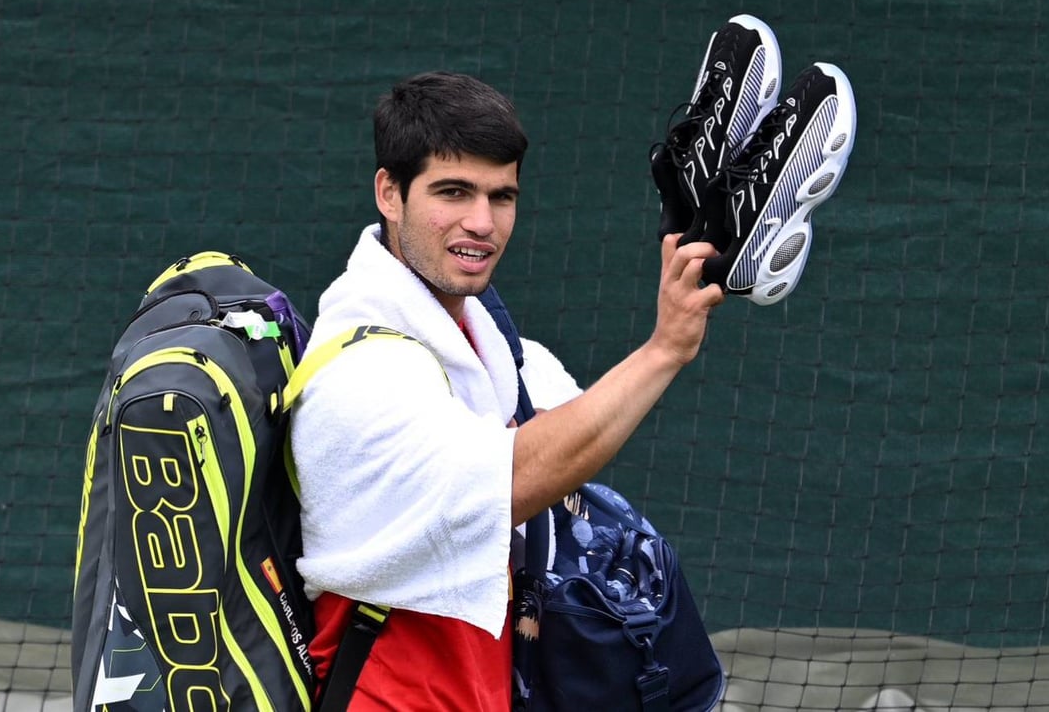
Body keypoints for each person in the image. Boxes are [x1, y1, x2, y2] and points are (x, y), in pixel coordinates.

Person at [287, 69, 724, 711]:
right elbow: (522, 471)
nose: (482, 223)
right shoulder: (364, 375)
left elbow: (559, 417)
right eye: (454, 192)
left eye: (502, 196)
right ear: (389, 192)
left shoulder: (470, 328)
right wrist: (665, 350)